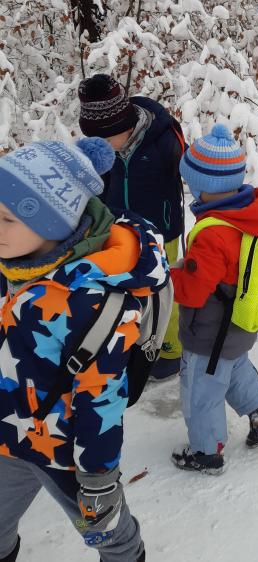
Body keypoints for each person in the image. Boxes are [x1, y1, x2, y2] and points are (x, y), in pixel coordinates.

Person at [0, 138, 169, 561]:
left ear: (52, 225)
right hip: (7, 435)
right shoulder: (14, 266)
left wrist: (99, 478)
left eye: (7, 218)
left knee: (107, 533)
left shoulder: (92, 304)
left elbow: (101, 398)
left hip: (62, 451)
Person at [170, 124, 258, 474]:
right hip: (241, 321)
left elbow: (193, 290)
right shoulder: (250, 213)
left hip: (210, 333)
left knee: (201, 391)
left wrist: (167, 276)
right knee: (236, 367)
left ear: (206, 188)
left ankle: (206, 453)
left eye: (192, 184)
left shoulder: (213, 234)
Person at [78, 74, 185, 379]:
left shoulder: (163, 138)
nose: (100, 148)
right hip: (120, 233)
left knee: (163, 291)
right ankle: (134, 343)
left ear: (124, 127)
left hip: (161, 231)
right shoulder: (102, 150)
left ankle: (171, 350)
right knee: (126, 292)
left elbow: (188, 172)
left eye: (104, 141)